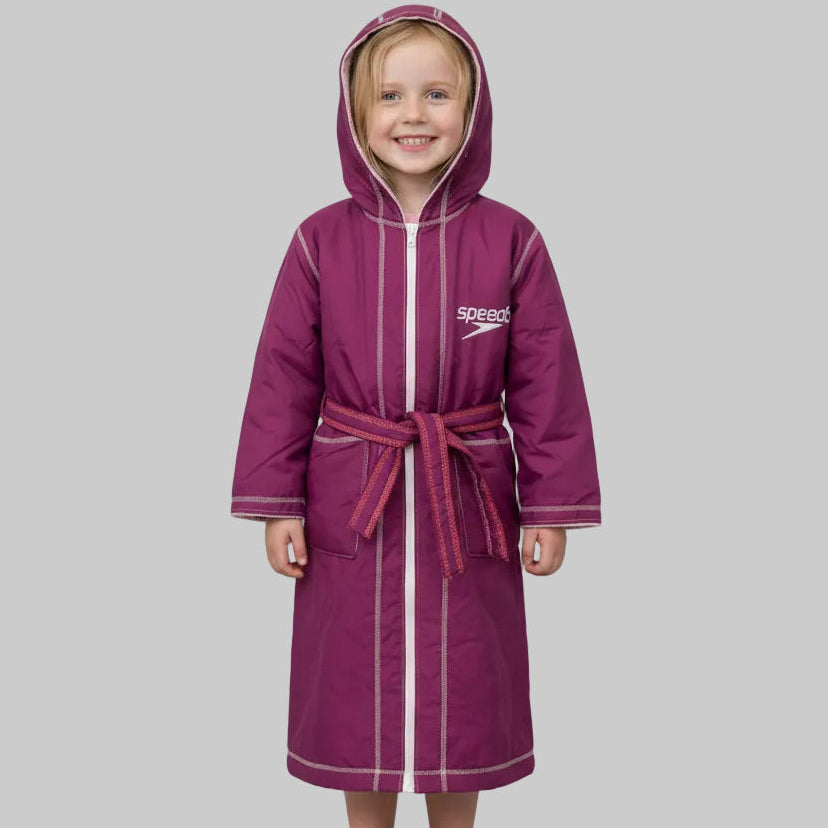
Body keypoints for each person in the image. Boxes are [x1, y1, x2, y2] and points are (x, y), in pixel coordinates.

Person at [230, 5, 601, 827]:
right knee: (352, 688)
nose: (414, 115)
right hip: (349, 498)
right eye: (391, 95)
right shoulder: (319, 241)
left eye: (438, 94)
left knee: (464, 690)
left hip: (467, 498)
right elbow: (282, 378)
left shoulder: (512, 240)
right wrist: (276, 503)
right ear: (356, 111)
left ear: (473, 108)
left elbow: (547, 383)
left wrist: (552, 508)